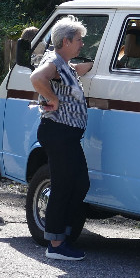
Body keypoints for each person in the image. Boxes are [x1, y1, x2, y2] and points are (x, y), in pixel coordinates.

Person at [30, 16, 94, 260]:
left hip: (67, 135)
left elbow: (74, 71)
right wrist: (52, 99)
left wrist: (93, 65)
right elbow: (37, 78)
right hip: (59, 132)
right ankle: (55, 244)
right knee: (63, 185)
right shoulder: (53, 62)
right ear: (65, 41)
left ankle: (63, 232)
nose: (81, 44)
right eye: (78, 40)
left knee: (80, 183)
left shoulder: (64, 63)